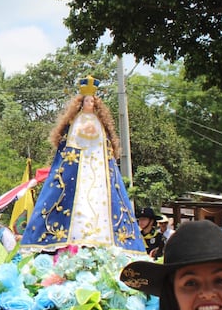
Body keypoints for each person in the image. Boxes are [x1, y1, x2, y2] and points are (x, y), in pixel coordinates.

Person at [20, 76, 144, 252]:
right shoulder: (75, 121)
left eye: (92, 100)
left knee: (99, 200)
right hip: (78, 166)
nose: (89, 103)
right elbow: (69, 146)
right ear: (80, 103)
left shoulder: (100, 124)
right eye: (86, 100)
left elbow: (105, 145)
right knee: (75, 201)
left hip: (97, 167)